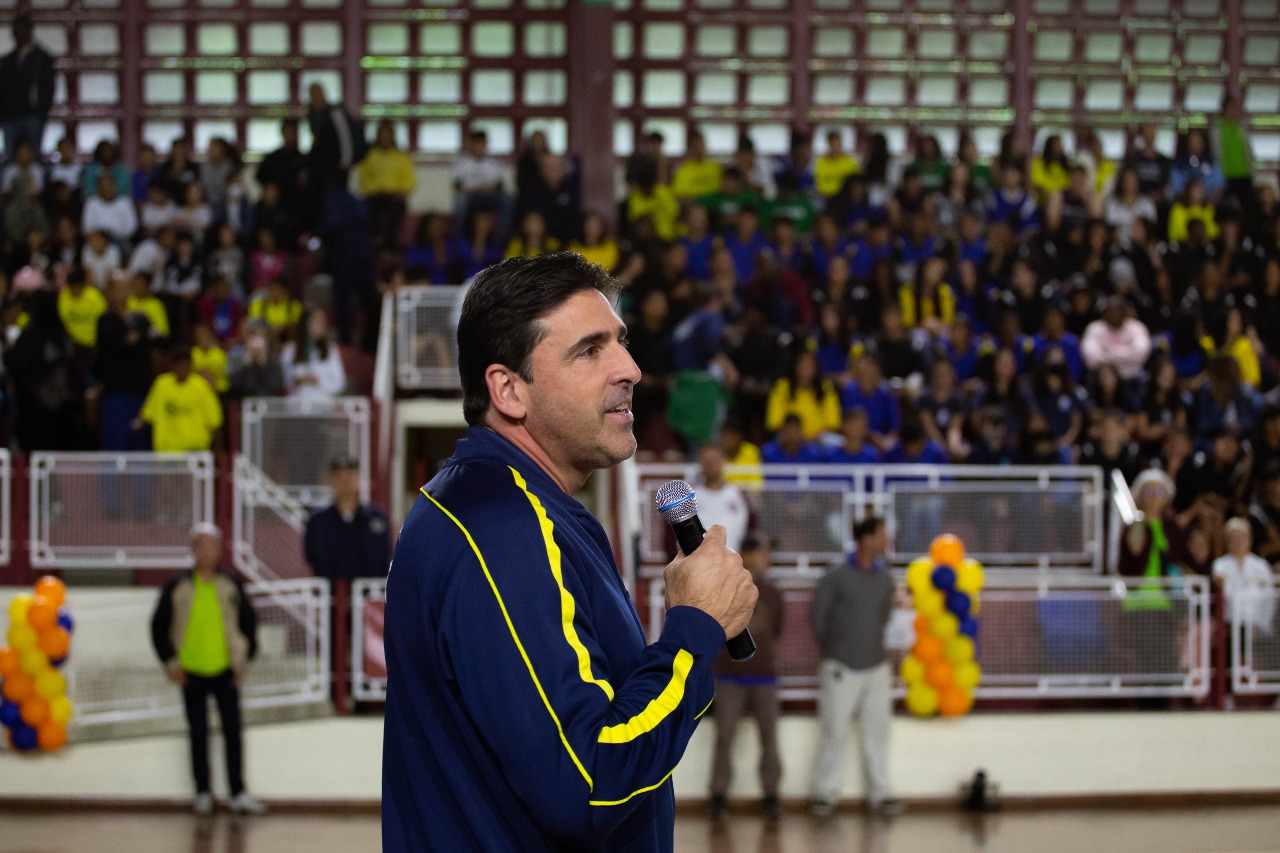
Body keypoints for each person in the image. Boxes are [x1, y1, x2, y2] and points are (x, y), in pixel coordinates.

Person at [382, 253, 757, 851]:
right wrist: (695, 631)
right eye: (590, 351)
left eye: (622, 343)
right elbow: (589, 783)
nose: (630, 368)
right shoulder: (504, 528)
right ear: (508, 389)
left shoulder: (501, 507)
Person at [150, 523, 267, 816]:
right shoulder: (178, 585)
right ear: (192, 550)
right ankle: (203, 793)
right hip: (190, 673)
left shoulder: (230, 584)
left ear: (219, 549)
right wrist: (170, 663)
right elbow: (158, 626)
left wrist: (243, 661)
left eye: (212, 545)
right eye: (200, 545)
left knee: (232, 732)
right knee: (199, 733)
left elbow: (249, 623)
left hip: (226, 671)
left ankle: (238, 793)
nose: (207, 551)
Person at [809, 516, 901, 817]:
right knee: (835, 730)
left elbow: (885, 617)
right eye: (881, 535)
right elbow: (818, 617)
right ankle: (825, 793)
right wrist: (833, 652)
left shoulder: (885, 579)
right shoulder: (835, 576)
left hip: (876, 665)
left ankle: (881, 793)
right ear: (865, 539)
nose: (886, 542)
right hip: (841, 665)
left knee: (878, 731)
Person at [707, 535, 785, 822]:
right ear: (744, 556)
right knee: (724, 738)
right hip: (729, 676)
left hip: (765, 677)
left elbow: (775, 630)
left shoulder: (774, 593)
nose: (759, 560)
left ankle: (771, 797)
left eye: (764, 554)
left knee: (770, 740)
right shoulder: (726, 588)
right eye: (755, 554)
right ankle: (718, 797)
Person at [304, 455, 391, 583]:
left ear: (358, 480)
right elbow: (313, 557)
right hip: (330, 597)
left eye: (350, 475)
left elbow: (381, 557)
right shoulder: (317, 521)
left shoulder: (377, 519)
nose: (345, 482)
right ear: (331, 481)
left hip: (369, 596)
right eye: (339, 477)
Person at [136, 346, 224, 452]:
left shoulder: (202, 387)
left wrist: (217, 452)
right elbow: (147, 414)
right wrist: (138, 423)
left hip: (195, 453)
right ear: (173, 365)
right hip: (167, 454)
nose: (183, 369)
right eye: (180, 365)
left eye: (186, 365)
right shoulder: (161, 385)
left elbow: (215, 422)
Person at [0, 14, 55, 155]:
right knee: (12, 158)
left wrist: (40, 113)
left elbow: (47, 88)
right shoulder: (7, 61)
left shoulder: (42, 58)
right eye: (15, 29)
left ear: (30, 30)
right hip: (11, 117)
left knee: (33, 157)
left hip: (32, 116)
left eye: (21, 29)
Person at [1213, 517, 1276, 637]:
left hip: (1258, 626)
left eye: (1242, 537)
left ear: (1250, 540)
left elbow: (1270, 599)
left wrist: (1262, 625)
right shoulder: (1220, 566)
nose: (1238, 541)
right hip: (1230, 626)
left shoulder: (1261, 566)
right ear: (1227, 541)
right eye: (1234, 537)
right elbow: (1225, 594)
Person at [694, 444, 750, 551]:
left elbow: (745, 530)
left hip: (731, 560)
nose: (711, 464)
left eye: (715, 459)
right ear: (700, 463)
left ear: (723, 461)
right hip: (699, 560)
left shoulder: (737, 495)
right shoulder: (691, 498)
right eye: (706, 460)